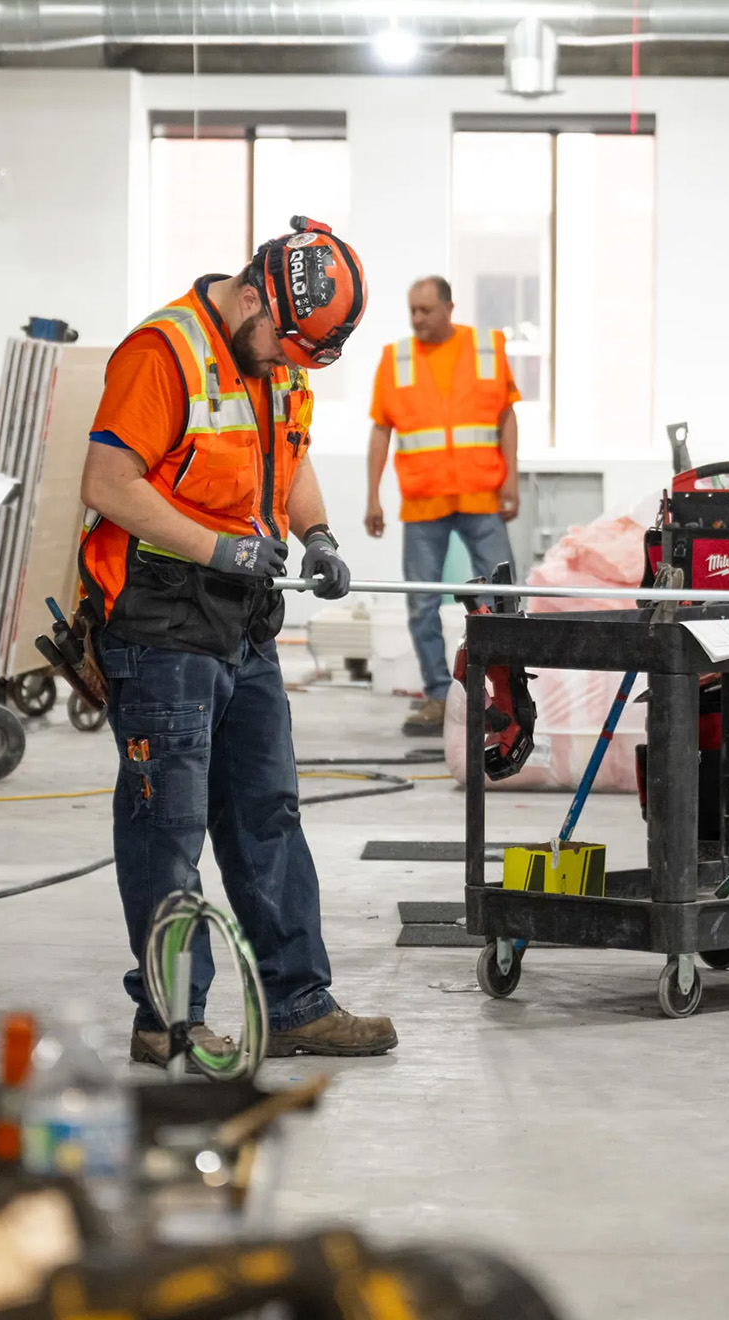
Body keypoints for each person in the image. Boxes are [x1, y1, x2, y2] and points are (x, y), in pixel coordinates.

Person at [78, 217, 398, 1062]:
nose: (291, 365)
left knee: (268, 817)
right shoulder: (161, 354)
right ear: (256, 292)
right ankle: (169, 1022)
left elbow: (289, 459)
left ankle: (297, 1004)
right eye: (287, 348)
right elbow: (108, 484)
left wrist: (319, 533)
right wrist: (221, 546)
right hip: (161, 630)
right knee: (168, 830)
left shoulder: (275, 354)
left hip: (243, 629)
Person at [364, 276, 520, 736]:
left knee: (503, 599)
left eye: (425, 310)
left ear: (449, 307)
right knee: (420, 603)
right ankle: (438, 695)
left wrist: (511, 477)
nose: (417, 319)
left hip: (480, 495)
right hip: (422, 502)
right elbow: (380, 430)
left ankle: (508, 693)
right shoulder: (397, 359)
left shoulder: (487, 348)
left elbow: (506, 416)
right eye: (412, 310)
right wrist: (372, 495)